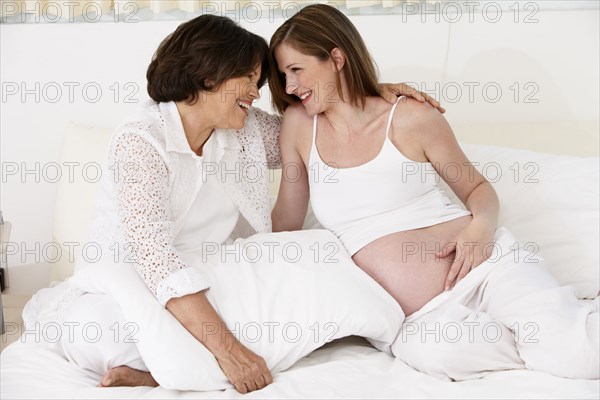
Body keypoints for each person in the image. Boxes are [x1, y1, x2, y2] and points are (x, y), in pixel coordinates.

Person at [57, 13, 443, 393]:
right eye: (247, 79)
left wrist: (371, 95)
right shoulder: (141, 142)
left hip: (216, 275)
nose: (257, 94)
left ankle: (166, 370)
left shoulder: (243, 130)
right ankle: (175, 368)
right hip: (135, 277)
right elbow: (154, 259)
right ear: (209, 76)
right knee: (97, 333)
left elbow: (320, 127)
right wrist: (230, 351)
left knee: (313, 261)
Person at [270, 4, 599, 380]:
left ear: (336, 58)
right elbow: (286, 222)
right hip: (418, 315)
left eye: (296, 70)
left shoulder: (411, 117)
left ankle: (559, 338)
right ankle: (543, 340)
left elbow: (477, 188)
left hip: (486, 269)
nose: (289, 87)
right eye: (283, 75)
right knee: (437, 355)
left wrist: (481, 229)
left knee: (580, 358)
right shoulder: (298, 126)